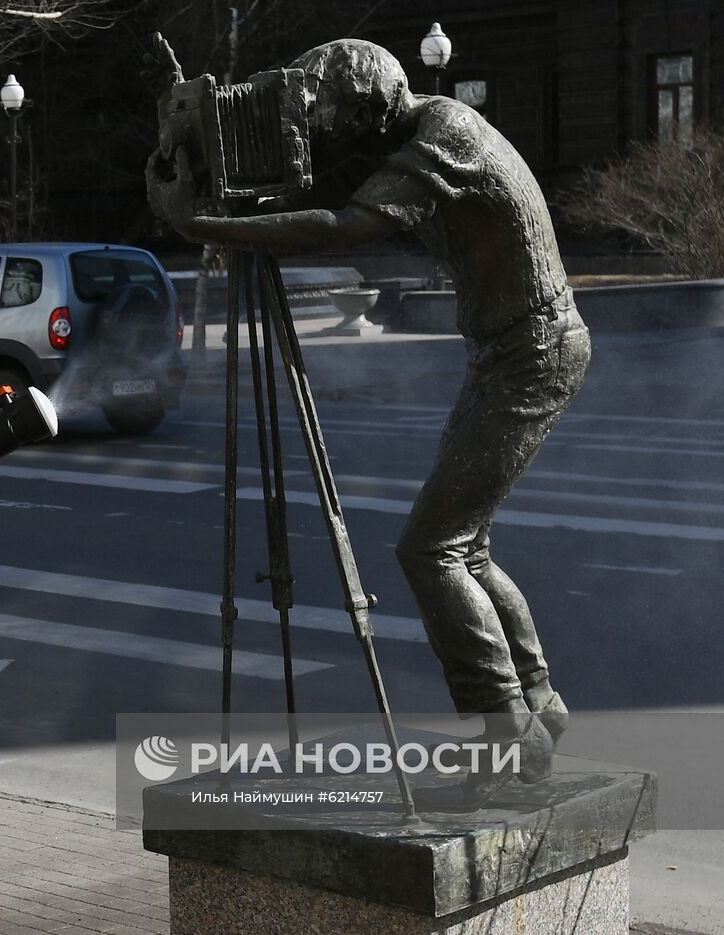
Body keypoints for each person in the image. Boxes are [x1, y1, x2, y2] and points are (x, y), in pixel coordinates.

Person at [147, 38, 590, 794]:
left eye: (336, 122)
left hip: (534, 350)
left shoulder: (445, 132)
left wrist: (205, 231)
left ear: (368, 111)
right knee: (465, 546)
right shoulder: (407, 139)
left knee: (431, 550)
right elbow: (307, 203)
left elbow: (339, 228)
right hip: (508, 350)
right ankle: (539, 707)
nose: (328, 136)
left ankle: (504, 729)